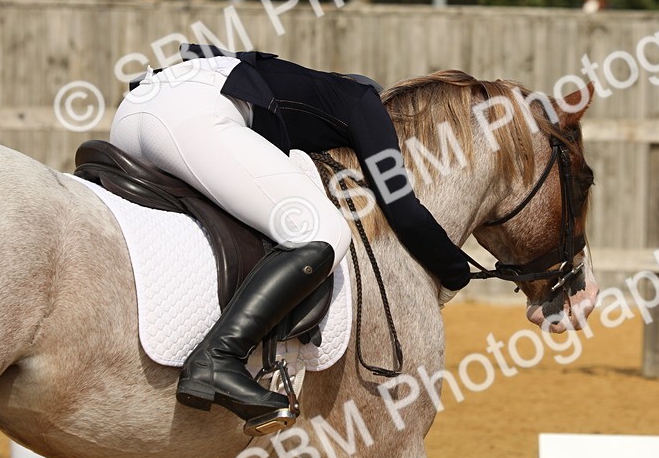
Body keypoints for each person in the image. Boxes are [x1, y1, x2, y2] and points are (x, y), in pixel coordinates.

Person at [110, 44, 470, 434]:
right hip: (190, 114)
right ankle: (219, 357)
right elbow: (400, 204)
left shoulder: (286, 83)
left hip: (132, 113)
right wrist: (455, 270)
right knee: (324, 231)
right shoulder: (365, 102)